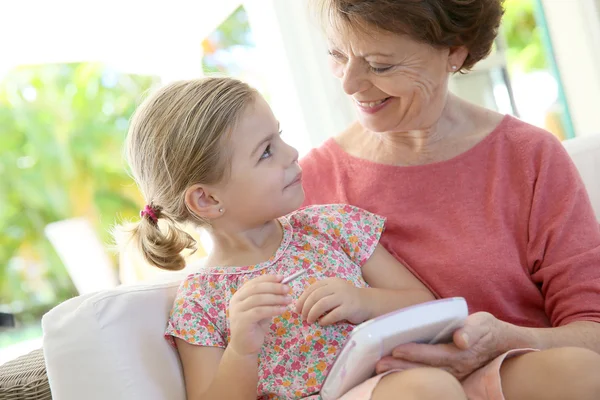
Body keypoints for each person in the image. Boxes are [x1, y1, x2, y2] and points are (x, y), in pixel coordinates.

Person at [299, 0, 600, 399]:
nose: (349, 83)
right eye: (338, 55)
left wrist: (504, 340)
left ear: (454, 52)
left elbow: (592, 331)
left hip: (522, 380)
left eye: (380, 65)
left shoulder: (529, 157)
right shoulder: (307, 182)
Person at [120, 77, 468, 399]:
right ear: (207, 199)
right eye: (266, 151)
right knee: (428, 389)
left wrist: (364, 301)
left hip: (383, 385)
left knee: (439, 385)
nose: (291, 153)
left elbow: (425, 303)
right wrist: (242, 348)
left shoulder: (331, 227)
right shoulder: (201, 300)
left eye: (280, 136)